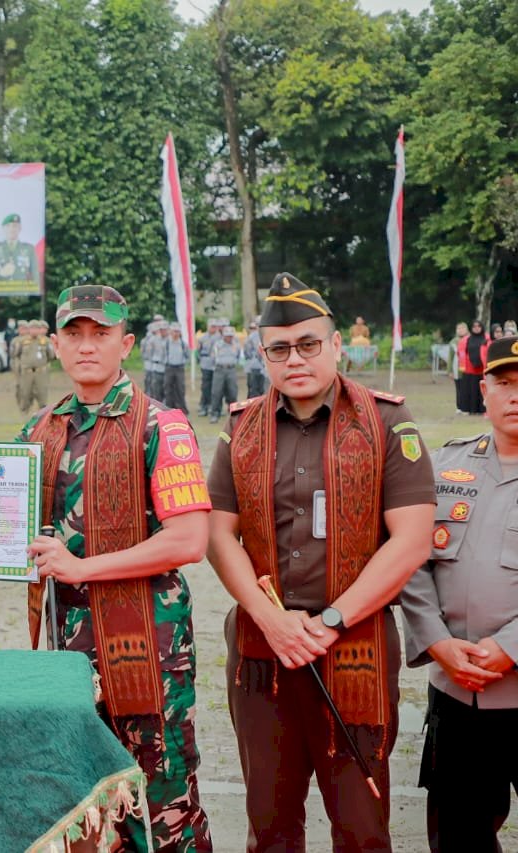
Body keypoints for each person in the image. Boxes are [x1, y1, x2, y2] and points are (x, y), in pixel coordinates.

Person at [206, 272, 435, 851]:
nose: (295, 359)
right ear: (263, 355)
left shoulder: (386, 422)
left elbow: (409, 540)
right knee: (270, 822)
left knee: (360, 824)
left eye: (309, 344)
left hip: (355, 642)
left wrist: (331, 620)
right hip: (264, 650)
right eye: (280, 348)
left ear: (337, 345)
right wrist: (272, 619)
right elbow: (217, 535)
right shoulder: (240, 429)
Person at [21, 284, 213, 852]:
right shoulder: (41, 430)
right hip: (64, 653)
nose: (86, 346)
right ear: (55, 345)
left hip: (150, 652)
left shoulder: (162, 426)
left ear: (125, 344)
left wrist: (82, 567)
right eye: (74, 335)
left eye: (100, 334)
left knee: (162, 806)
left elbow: (189, 540)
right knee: (82, 808)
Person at [400, 334, 518, 851]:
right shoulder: (447, 468)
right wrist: (437, 642)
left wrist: (512, 647)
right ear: (483, 389)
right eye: (505, 383)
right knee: (457, 835)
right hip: (456, 692)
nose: (516, 396)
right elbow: (409, 560)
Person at [0, 213, 39, 281]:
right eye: (8, 226)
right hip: (1, 291)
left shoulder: (29, 249)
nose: (11, 229)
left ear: (20, 228)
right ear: (3, 228)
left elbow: (35, 276)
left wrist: (36, 291)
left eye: (14, 226)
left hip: (21, 291)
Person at [15, 318, 55, 413]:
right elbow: (17, 354)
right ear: (29, 329)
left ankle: (42, 413)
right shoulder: (22, 341)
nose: (34, 330)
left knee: (42, 393)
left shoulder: (45, 341)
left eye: (36, 328)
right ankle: (25, 413)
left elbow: (51, 356)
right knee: (25, 393)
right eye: (32, 328)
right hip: (26, 372)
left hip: (40, 372)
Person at [209, 324, 241, 422]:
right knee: (216, 392)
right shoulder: (217, 345)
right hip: (219, 370)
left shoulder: (236, 345)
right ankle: (215, 413)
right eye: (227, 336)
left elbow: (238, 356)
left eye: (231, 336)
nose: (229, 338)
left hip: (231, 370)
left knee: (232, 392)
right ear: (223, 336)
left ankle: (234, 414)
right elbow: (212, 357)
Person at [458, 319, 489, 415]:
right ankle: (470, 409)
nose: (476, 328)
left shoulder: (487, 338)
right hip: (470, 370)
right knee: (470, 390)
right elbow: (461, 353)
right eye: (474, 326)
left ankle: (482, 410)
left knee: (482, 391)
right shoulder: (466, 340)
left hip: (483, 370)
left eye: (478, 326)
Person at [196, 318, 221, 418]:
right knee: (205, 386)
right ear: (208, 327)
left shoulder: (220, 337)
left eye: (215, 326)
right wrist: (200, 360)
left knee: (215, 387)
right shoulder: (202, 338)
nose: (213, 328)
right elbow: (198, 351)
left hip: (215, 364)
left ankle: (213, 406)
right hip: (206, 364)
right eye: (212, 326)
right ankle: (204, 406)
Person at [163, 322, 189, 414]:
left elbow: (187, 355)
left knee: (180, 389)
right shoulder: (166, 343)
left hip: (179, 368)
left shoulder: (183, 344)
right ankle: (168, 408)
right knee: (168, 388)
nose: (176, 333)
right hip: (169, 368)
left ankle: (182, 409)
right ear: (170, 332)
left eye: (177, 331)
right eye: (174, 331)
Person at [243, 320, 265, 399]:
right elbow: (247, 352)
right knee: (254, 390)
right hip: (255, 366)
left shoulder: (269, 334)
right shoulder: (252, 337)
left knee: (264, 389)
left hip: (266, 367)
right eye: (258, 324)